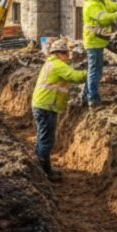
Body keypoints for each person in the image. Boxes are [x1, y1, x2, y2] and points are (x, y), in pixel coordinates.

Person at [31, 39, 86, 182]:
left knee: (42, 137)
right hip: (47, 106)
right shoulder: (57, 65)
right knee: (46, 140)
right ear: (60, 54)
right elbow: (74, 76)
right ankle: (45, 173)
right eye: (67, 54)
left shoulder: (49, 63)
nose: (68, 57)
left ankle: (39, 168)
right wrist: (92, 73)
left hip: (42, 105)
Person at [80, 0, 117, 107]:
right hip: (93, 42)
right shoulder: (91, 5)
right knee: (95, 71)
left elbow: (112, 6)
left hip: (98, 41)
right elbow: (103, 18)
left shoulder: (100, 0)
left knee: (94, 70)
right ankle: (93, 99)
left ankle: (84, 97)